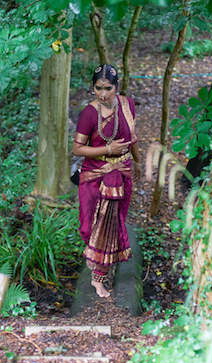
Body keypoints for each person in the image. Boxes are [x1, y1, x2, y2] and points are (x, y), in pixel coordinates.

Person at [72, 64, 142, 298]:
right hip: (96, 175)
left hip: (122, 171)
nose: (103, 94)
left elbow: (132, 137)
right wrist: (108, 148)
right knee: (92, 226)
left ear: (116, 87)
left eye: (108, 88)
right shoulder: (89, 114)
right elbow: (77, 149)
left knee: (113, 223)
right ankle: (98, 270)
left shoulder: (127, 105)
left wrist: (138, 161)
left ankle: (99, 276)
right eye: (98, 88)